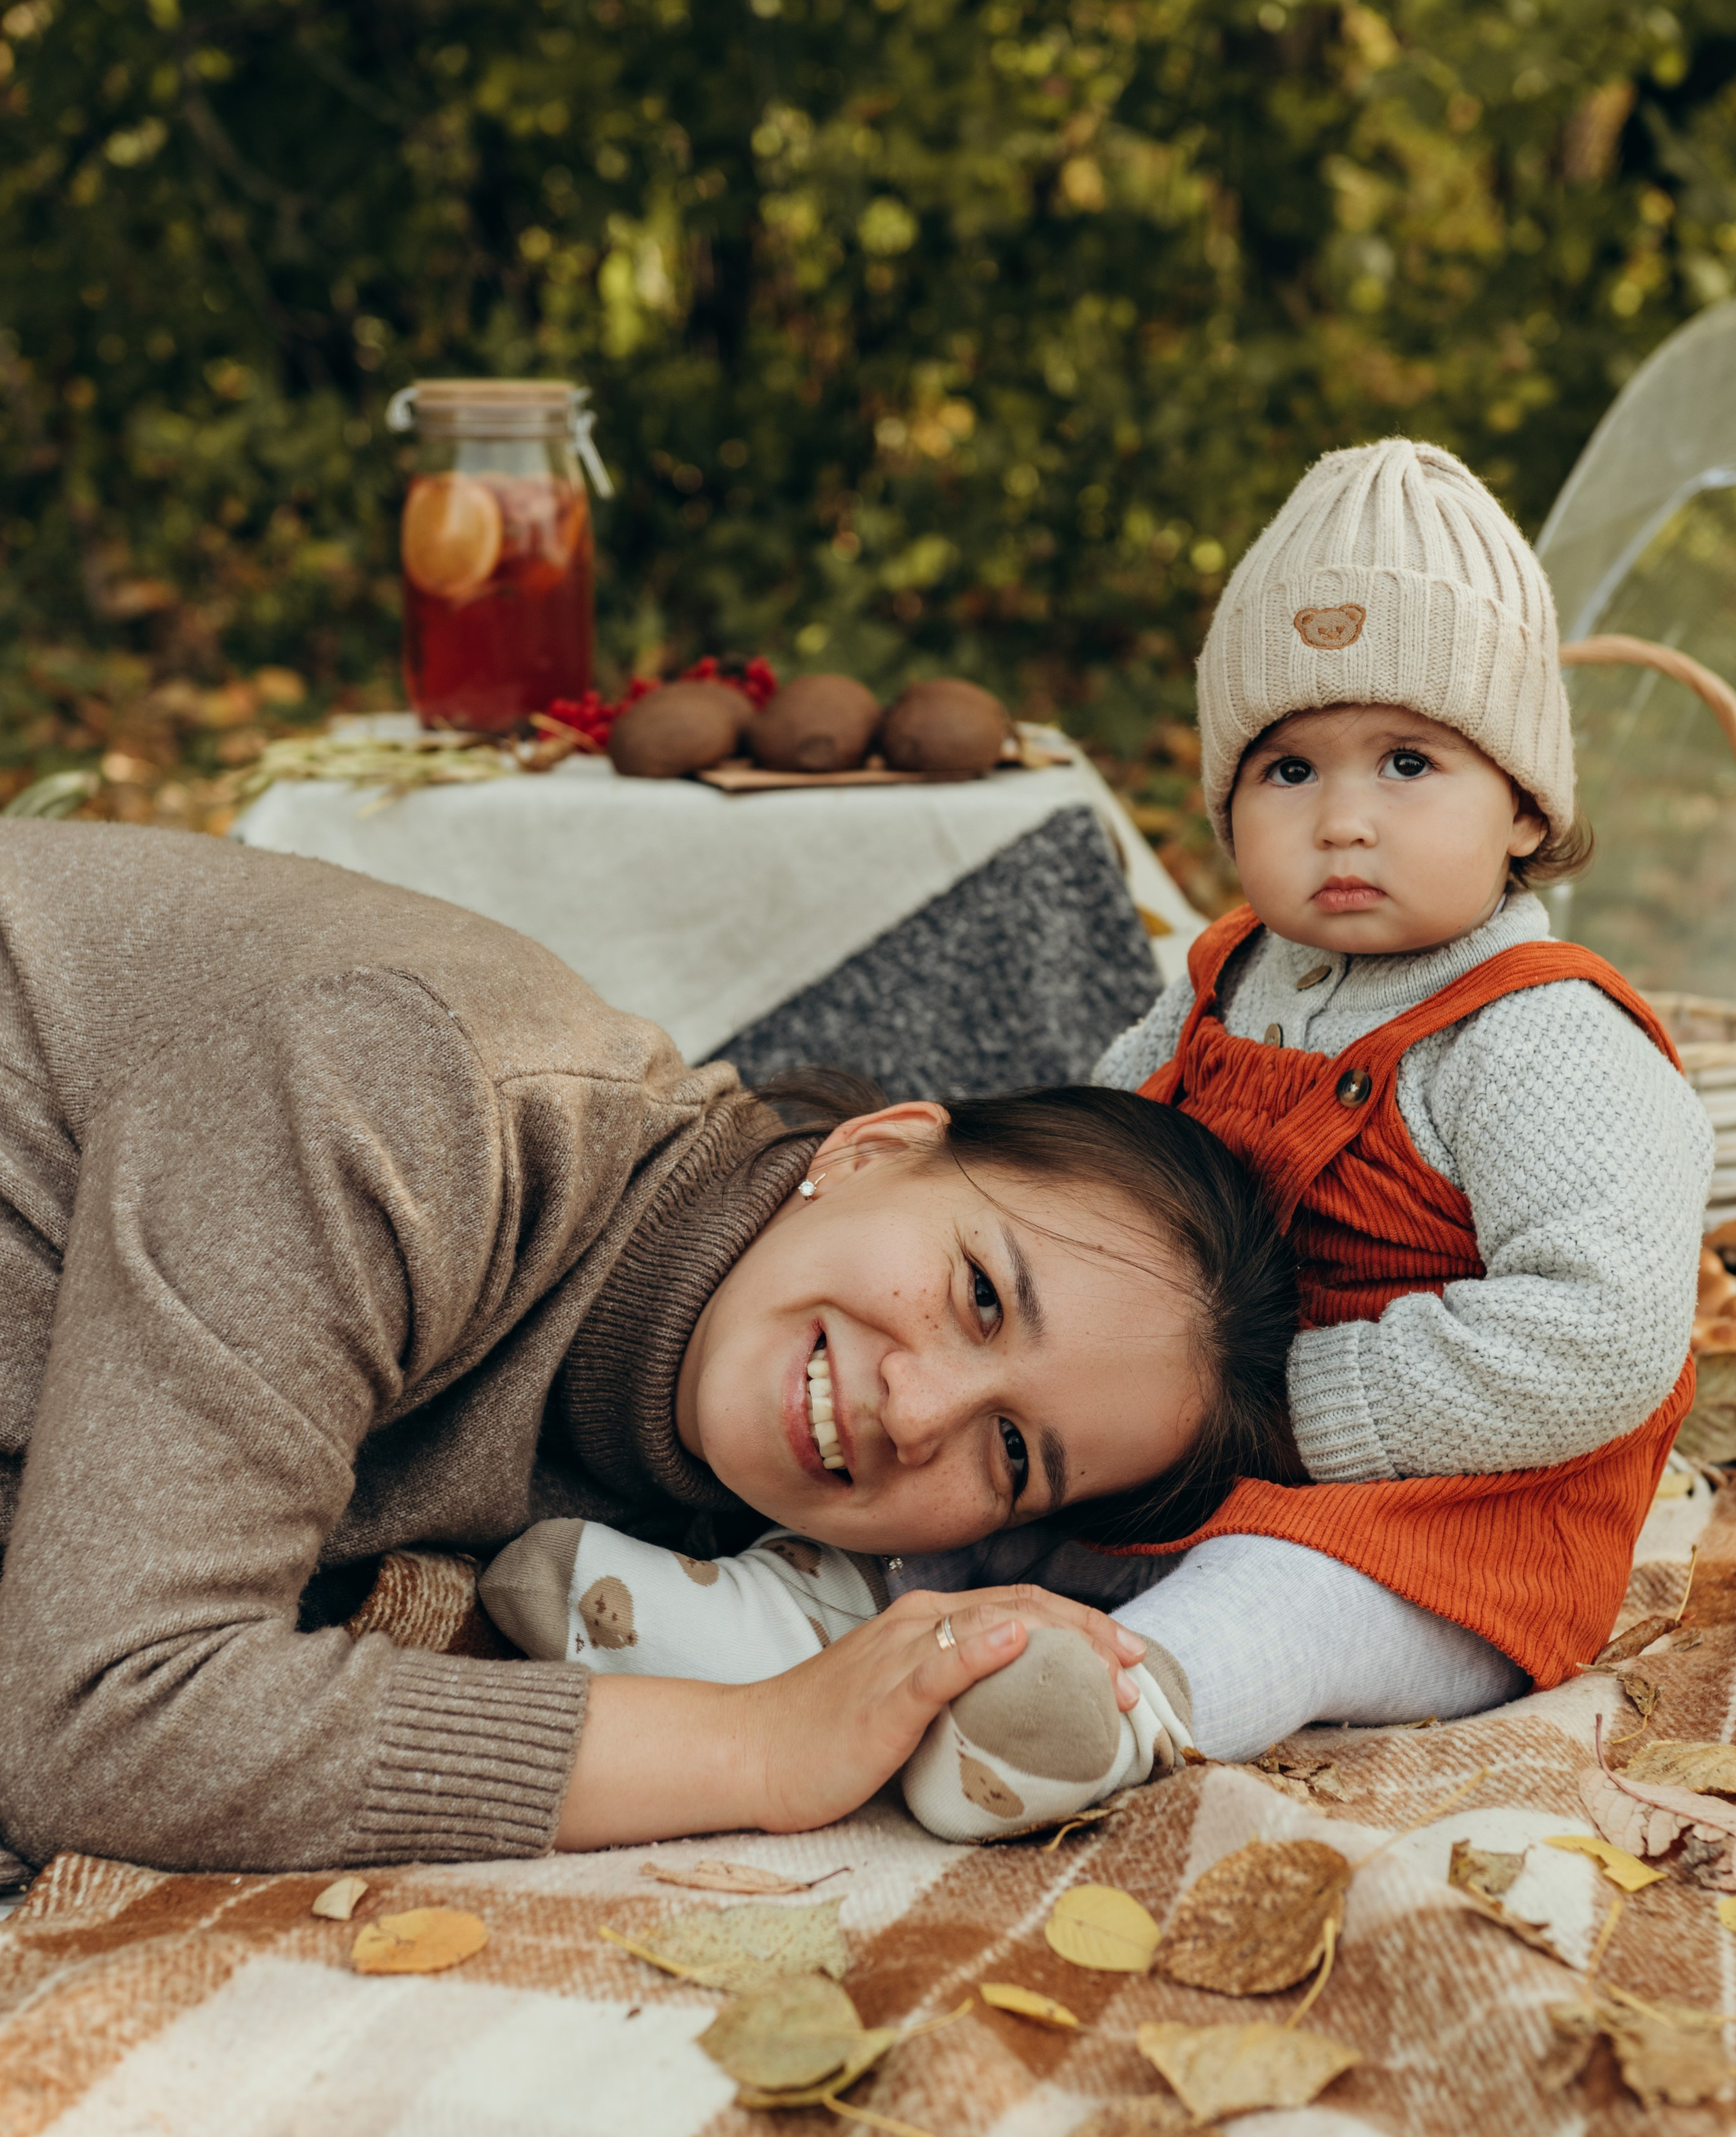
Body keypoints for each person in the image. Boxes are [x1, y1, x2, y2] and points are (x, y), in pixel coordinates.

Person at [0, 821, 1296, 1876]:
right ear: (876, 1148)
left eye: (1013, 1452)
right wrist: (757, 1748)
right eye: (980, 1294)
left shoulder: (692, 1506)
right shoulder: (412, 1095)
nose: (919, 1410)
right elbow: (99, 1717)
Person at [1085, 435, 1712, 1758]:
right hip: (1198, 1447)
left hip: (1455, 1524)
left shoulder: (1540, 1031)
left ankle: (1101, 1712)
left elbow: (1600, 1332)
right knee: (980, 1495)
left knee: (1283, 1599)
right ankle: (768, 1609)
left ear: (1523, 807)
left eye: (1407, 763)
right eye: (1288, 769)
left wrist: (1296, 1406)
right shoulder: (1217, 977)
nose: (1342, 818)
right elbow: (1094, 1151)